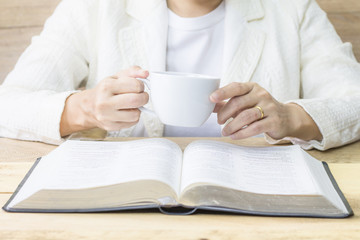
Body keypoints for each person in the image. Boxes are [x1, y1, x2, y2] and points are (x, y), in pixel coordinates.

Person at [0, 0, 359, 150]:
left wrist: (291, 116)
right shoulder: (93, 8)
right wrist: (84, 109)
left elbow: (354, 100)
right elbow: (9, 103)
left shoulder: (293, 10)